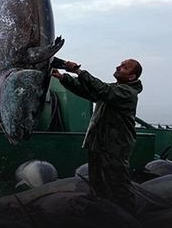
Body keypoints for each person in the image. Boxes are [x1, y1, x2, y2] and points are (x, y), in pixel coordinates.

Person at [51, 58, 143, 215]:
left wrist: (78, 72)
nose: (118, 67)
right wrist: (63, 78)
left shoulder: (127, 93)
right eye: (120, 64)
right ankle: (102, 217)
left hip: (114, 148)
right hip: (98, 145)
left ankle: (129, 221)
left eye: (124, 67)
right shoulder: (114, 89)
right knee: (97, 187)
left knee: (119, 188)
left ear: (132, 77)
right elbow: (88, 91)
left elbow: (102, 90)